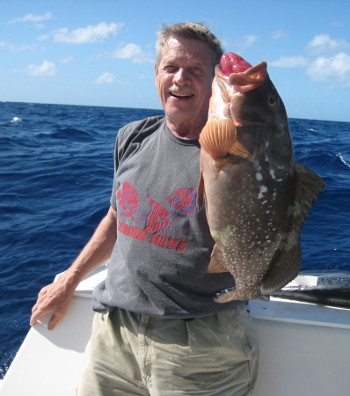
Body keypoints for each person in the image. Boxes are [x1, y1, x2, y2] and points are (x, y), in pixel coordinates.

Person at [30, 22, 259, 395]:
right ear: (156, 73)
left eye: (196, 71)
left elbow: (271, 199)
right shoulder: (132, 136)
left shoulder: (235, 152)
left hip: (198, 343)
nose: (180, 80)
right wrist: (69, 279)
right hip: (114, 335)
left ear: (214, 81)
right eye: (171, 67)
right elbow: (117, 218)